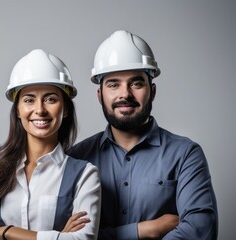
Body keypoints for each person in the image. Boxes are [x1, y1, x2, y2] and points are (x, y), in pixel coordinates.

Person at [68, 30, 218, 239]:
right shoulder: (77, 159)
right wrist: (147, 230)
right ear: (100, 95)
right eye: (113, 84)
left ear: (152, 91)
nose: (125, 94)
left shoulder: (185, 155)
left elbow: (200, 230)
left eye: (136, 83)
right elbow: (63, 234)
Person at [0, 49, 101, 240]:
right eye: (29, 100)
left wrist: (6, 232)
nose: (40, 110)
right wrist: (58, 236)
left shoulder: (85, 175)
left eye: (50, 99)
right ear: (18, 110)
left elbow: (83, 239)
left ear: (66, 108)